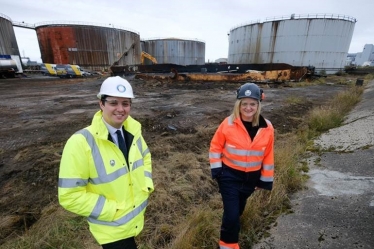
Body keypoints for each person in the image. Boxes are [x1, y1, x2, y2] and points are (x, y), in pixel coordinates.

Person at [58, 76, 154, 249]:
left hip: (135, 220)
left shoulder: (133, 131)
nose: (120, 109)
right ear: (101, 104)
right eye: (113, 103)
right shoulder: (81, 142)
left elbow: (145, 157)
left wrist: (146, 184)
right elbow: (68, 196)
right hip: (112, 230)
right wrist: (112, 211)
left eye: (125, 103)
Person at [209, 82, 274, 249]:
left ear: (258, 105)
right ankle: (228, 245)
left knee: (236, 213)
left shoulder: (267, 128)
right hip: (229, 177)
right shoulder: (227, 123)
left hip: (250, 181)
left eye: (252, 103)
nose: (248, 108)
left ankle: (229, 231)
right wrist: (217, 171)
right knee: (231, 216)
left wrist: (264, 181)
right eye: (244, 103)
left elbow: (267, 155)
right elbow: (215, 146)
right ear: (238, 104)